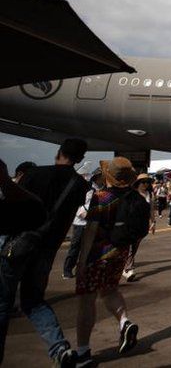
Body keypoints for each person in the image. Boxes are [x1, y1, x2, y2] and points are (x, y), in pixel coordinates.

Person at [0, 139, 90, 367]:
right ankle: (60, 349)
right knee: (34, 301)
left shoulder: (35, 174)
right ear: (79, 159)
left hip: (20, 243)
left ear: (59, 152)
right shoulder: (79, 185)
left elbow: (15, 206)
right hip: (47, 250)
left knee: (3, 301)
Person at [74, 157, 141, 367]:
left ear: (108, 175)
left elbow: (91, 229)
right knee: (110, 290)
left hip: (98, 253)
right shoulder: (133, 197)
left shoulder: (101, 197)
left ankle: (83, 351)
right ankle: (124, 322)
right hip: (120, 252)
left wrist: (82, 260)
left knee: (87, 300)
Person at [63, 169, 103, 279]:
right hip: (80, 222)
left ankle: (83, 268)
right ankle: (67, 270)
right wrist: (81, 213)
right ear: (98, 177)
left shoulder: (101, 189)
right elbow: (77, 203)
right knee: (75, 247)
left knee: (88, 246)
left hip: (92, 221)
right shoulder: (88, 188)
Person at [122, 174, 157, 282]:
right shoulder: (132, 194)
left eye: (147, 182)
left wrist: (153, 222)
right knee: (128, 246)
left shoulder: (149, 194)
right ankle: (128, 268)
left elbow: (151, 209)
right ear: (138, 183)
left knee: (134, 247)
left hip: (142, 224)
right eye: (143, 182)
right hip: (130, 223)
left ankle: (126, 267)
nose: (146, 184)